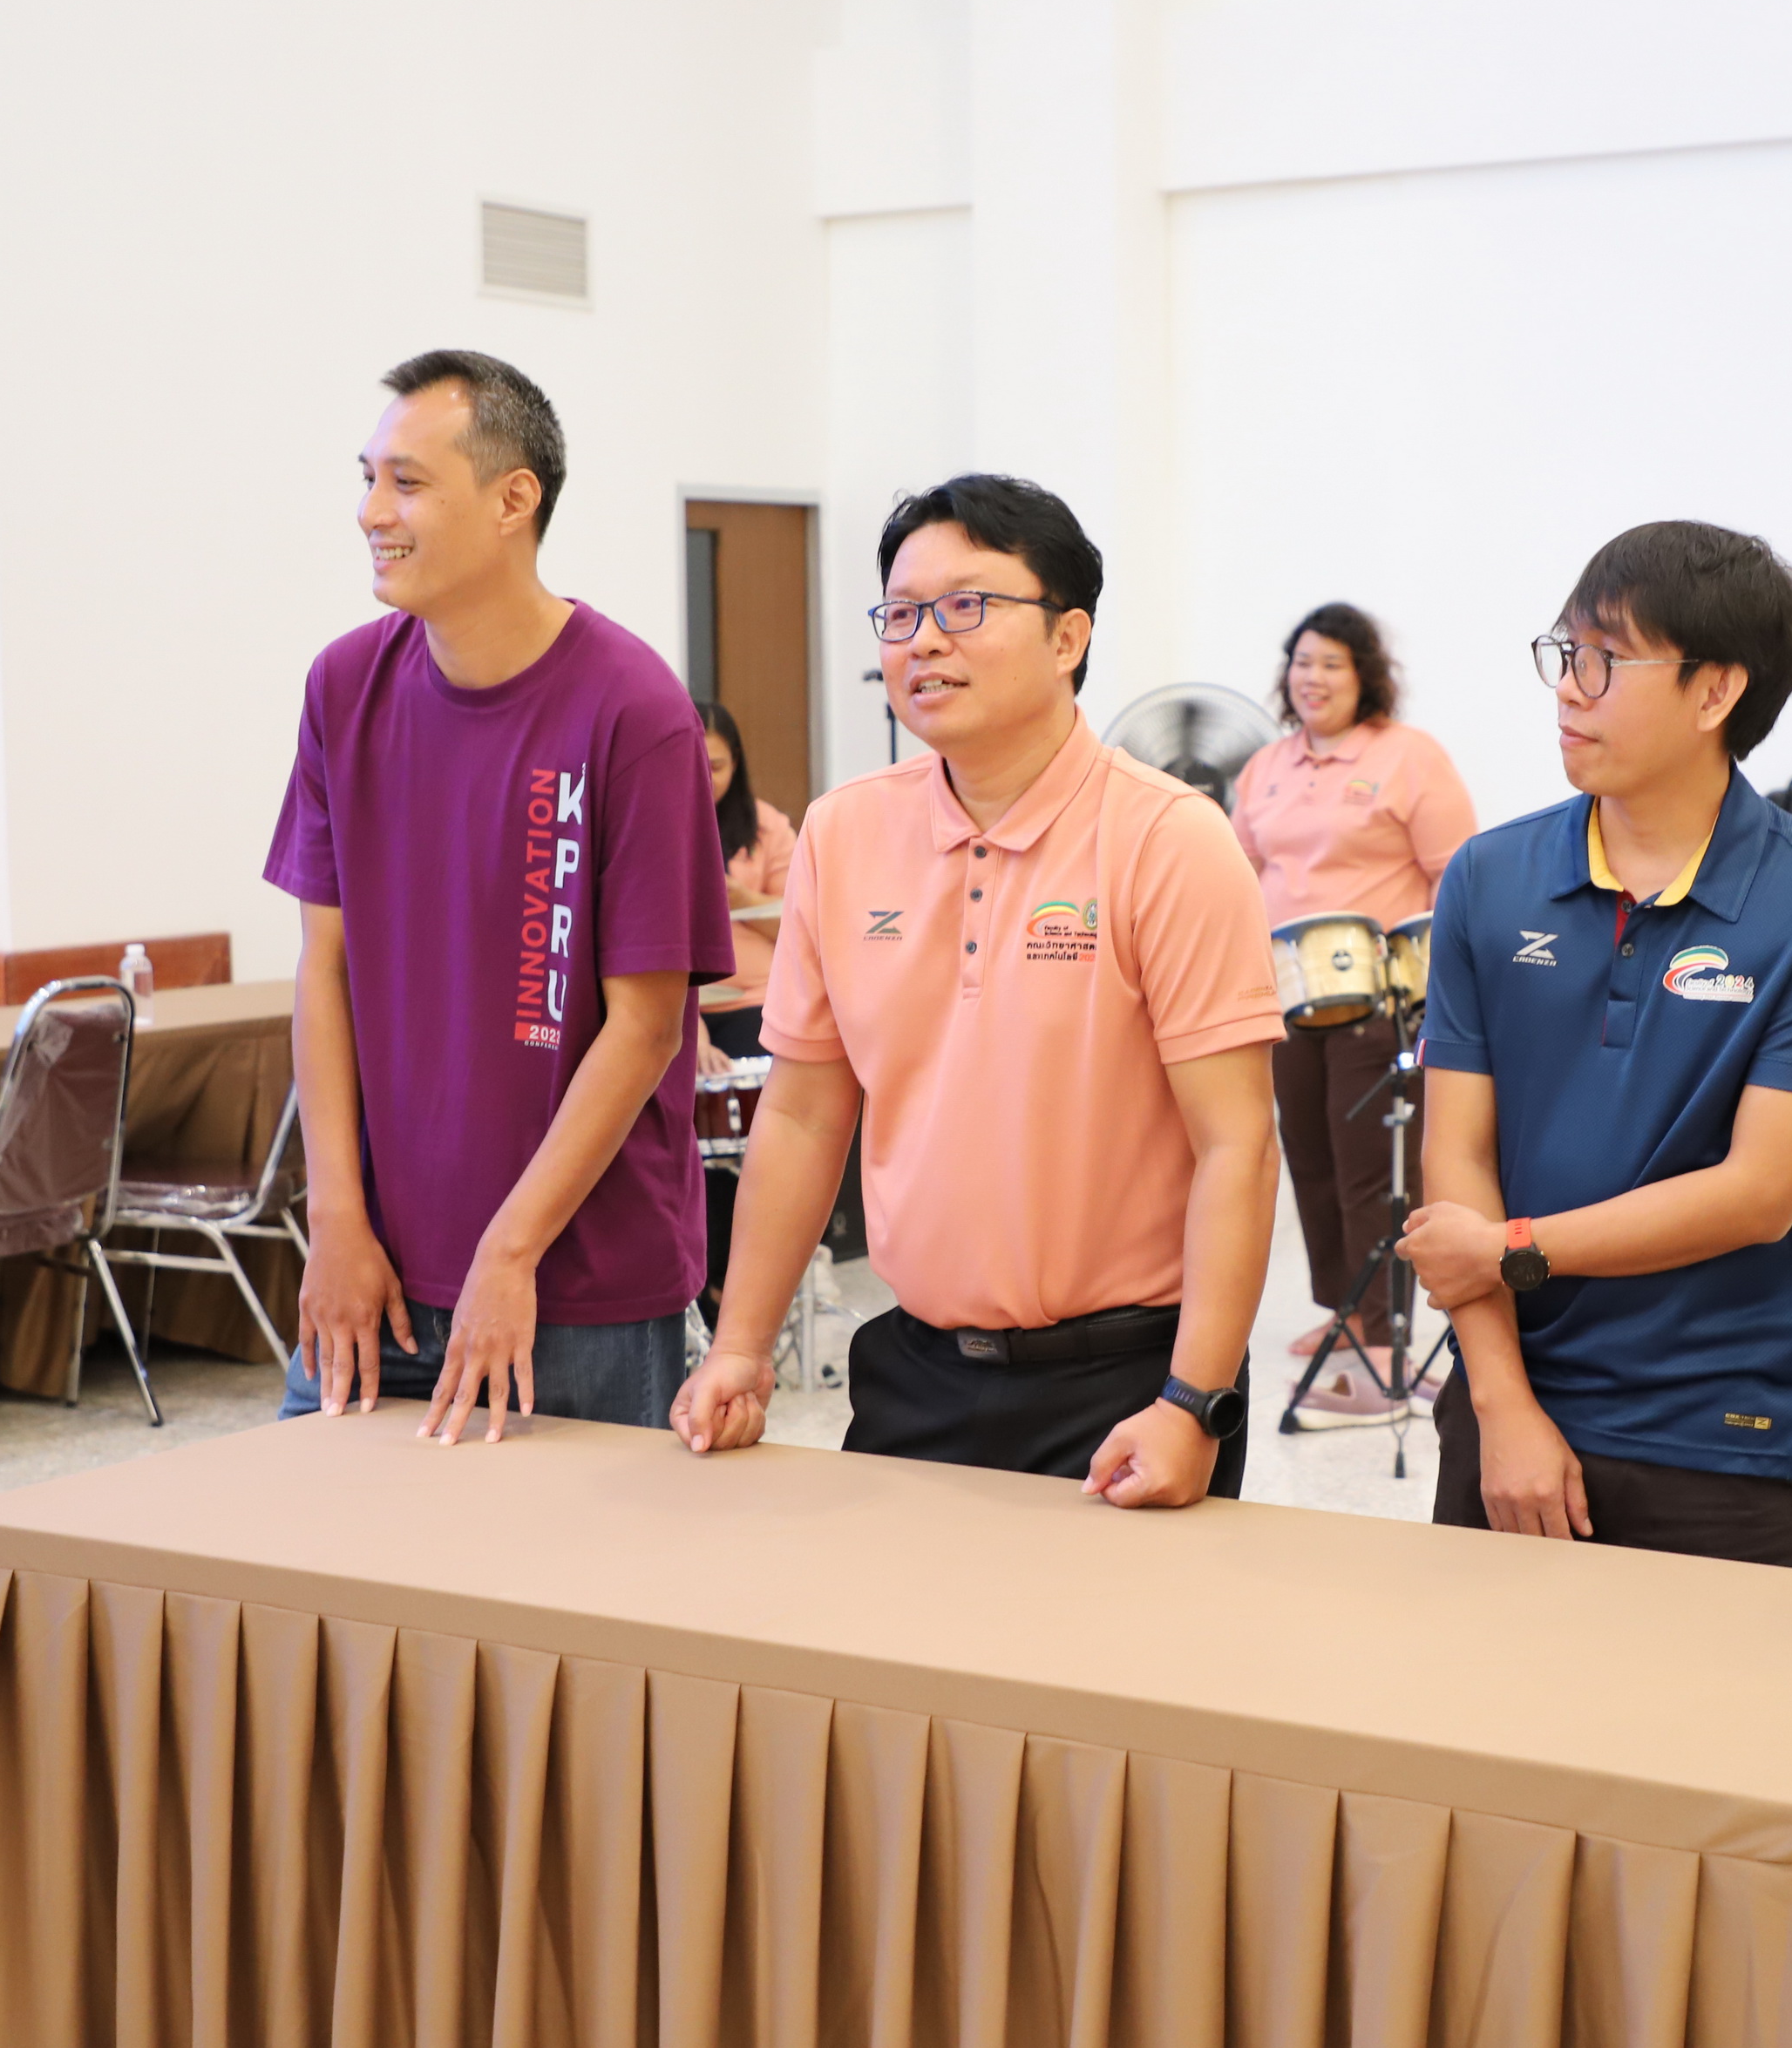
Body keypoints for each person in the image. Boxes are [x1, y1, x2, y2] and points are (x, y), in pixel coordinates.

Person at [669, 474, 1284, 1508]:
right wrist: (740, 1346)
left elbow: (1239, 1146)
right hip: (916, 1369)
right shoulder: (843, 832)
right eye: (902, 614)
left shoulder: (1169, 838)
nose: (925, 641)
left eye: (966, 607)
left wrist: (1191, 1403)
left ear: (1068, 636)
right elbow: (807, 1114)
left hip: (1126, 1384)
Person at [1394, 522, 1792, 1568]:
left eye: (1606, 660)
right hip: (1509, 1397)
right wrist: (1502, 1407)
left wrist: (1513, 1249)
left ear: (1716, 693)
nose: (1568, 690)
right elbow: (1457, 1157)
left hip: (1716, 1426)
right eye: (1565, 653)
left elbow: (1757, 1194)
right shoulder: (1489, 877)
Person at [265, 350, 733, 1444]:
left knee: (563, 1559)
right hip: (379, 1268)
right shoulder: (344, 687)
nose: (372, 512)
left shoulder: (634, 710)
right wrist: (335, 1217)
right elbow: (324, 970)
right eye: (369, 479)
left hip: (575, 1287)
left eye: (408, 483)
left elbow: (645, 1027)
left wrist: (510, 1250)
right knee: (310, 1542)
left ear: (513, 499)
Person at [1227, 603, 1476, 1419]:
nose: (1313, 678)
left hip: (1379, 997)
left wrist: (1446, 995)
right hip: (1282, 996)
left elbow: (1456, 876)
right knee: (1309, 1158)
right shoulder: (1265, 766)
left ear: (1364, 675)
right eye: (1302, 662)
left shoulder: (1408, 757)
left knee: (1371, 1164)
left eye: (1331, 663)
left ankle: (1381, 1331)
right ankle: (1344, 1310)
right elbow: (1237, 870)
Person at [695, 701, 798, 1064]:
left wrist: (743, 900)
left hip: (755, 1001)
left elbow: (802, 928)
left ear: (735, 763)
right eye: (693, 765)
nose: (704, 778)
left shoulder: (769, 827)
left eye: (716, 767)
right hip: (671, 1004)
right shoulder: (647, 827)